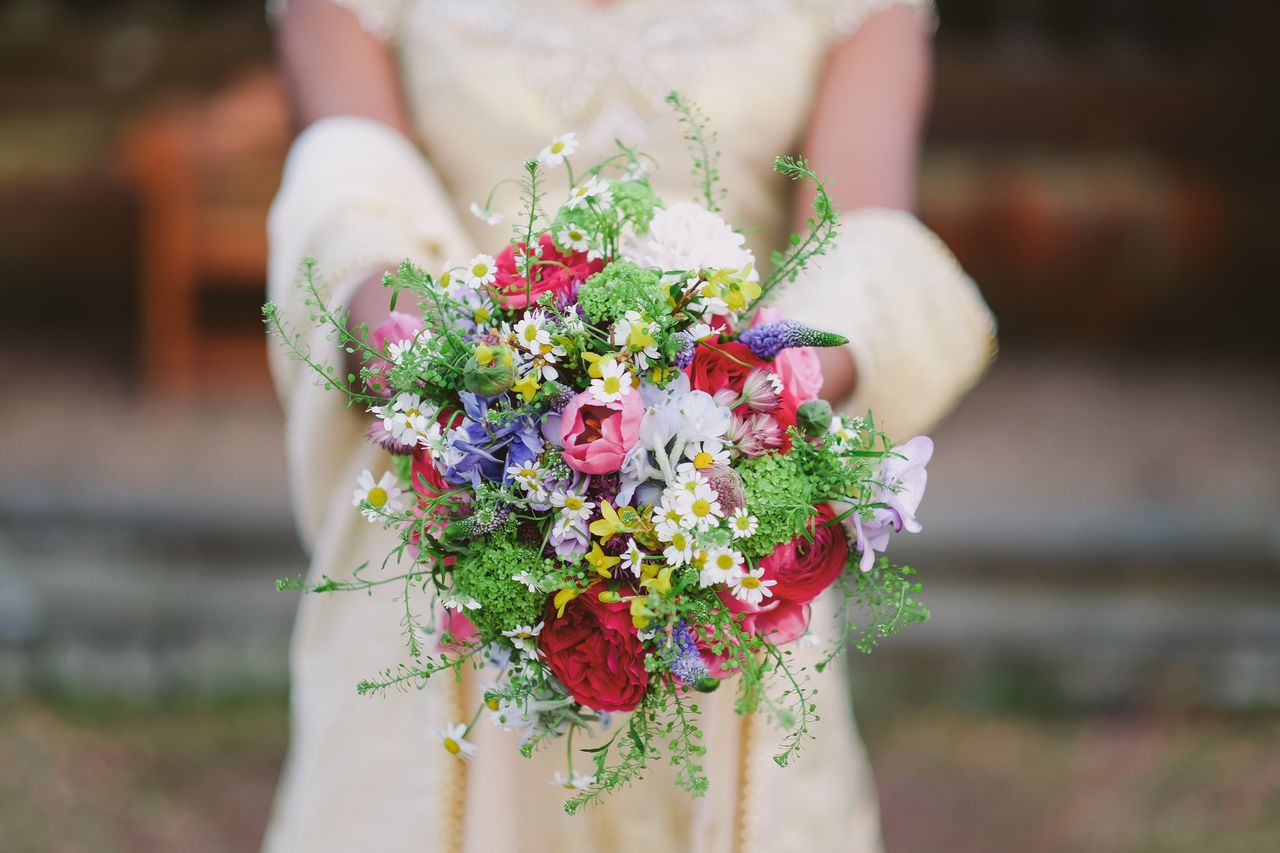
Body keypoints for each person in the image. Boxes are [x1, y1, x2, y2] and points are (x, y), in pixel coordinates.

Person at [263, 1, 996, 851]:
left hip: (724, 526)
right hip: (460, 517)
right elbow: (349, 185)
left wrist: (754, 394)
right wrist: (440, 370)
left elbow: (859, 239)